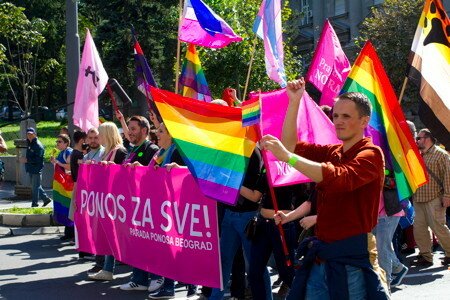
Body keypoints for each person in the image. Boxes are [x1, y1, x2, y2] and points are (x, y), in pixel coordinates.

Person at [261, 78, 389, 299]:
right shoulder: (333, 151)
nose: (338, 121)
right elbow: (291, 145)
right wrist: (294, 102)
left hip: (352, 261)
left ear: (364, 121)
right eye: (336, 115)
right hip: (321, 257)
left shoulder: (372, 154)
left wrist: (288, 158)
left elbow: (340, 178)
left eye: (346, 116)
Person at [209, 147, 272, 300]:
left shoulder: (252, 152)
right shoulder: (231, 149)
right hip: (230, 214)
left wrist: (229, 181)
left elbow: (254, 195)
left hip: (248, 216)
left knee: (255, 265)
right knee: (223, 262)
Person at [148, 123, 196, 299]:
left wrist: (179, 169)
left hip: (176, 208)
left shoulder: (177, 151)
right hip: (164, 207)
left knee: (173, 248)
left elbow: (192, 173)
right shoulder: (160, 153)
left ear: (171, 134)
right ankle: (190, 284)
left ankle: (170, 287)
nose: (156, 134)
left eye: (161, 131)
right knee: (171, 248)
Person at [412, 128, 450, 267]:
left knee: (439, 228)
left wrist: (447, 195)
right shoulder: (417, 154)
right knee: (419, 229)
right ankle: (426, 256)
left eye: (419, 138)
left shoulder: (441, 154)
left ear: (427, 138)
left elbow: (448, 176)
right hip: (419, 197)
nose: (417, 141)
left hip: (435, 197)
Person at [83, 128, 106, 276]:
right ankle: (99, 261)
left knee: (102, 232)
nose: (93, 140)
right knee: (95, 231)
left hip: (102, 198)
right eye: (90, 138)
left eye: (95, 137)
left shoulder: (104, 152)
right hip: (91, 198)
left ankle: (102, 263)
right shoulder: (87, 155)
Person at [21, 128, 52, 208]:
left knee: (35, 187)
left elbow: (39, 159)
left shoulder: (38, 145)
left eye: (31, 134)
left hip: (36, 169)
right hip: (31, 168)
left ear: (35, 134)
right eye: (28, 134)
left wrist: (27, 160)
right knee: (36, 186)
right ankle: (46, 199)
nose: (29, 136)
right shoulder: (30, 143)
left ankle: (34, 204)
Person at [51, 133, 74, 241]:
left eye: (59, 141)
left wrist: (58, 163)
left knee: (68, 208)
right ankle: (68, 233)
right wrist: (55, 163)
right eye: (57, 141)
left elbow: (70, 167)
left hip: (68, 185)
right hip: (63, 185)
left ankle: (71, 233)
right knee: (65, 208)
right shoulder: (62, 152)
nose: (57, 143)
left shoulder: (69, 152)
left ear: (66, 143)